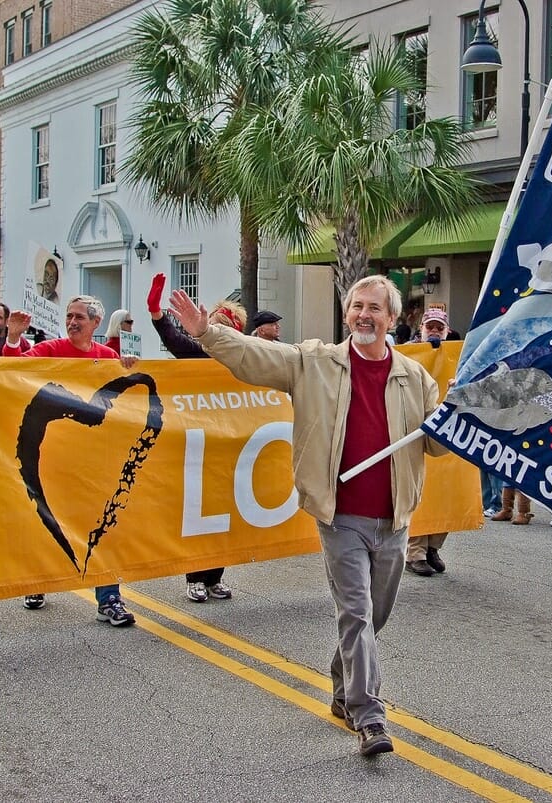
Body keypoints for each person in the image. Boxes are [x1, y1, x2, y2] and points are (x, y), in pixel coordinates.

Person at [169, 274, 447, 757]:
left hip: (395, 519)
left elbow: (437, 447)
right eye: (357, 306)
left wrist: (457, 417)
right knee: (357, 613)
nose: (364, 315)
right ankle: (369, 715)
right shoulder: (314, 362)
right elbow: (255, 356)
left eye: (374, 308)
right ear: (347, 313)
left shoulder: (415, 377)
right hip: (340, 516)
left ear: (392, 318)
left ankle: (344, 688)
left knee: (372, 617)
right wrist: (207, 333)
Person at [1, 295, 139, 627]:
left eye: (79, 317)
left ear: (95, 323)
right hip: (52, 456)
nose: (72, 322)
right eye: (69, 316)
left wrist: (129, 367)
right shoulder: (50, 350)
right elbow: (13, 368)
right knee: (46, 520)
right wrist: (13, 338)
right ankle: (38, 580)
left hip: (92, 460)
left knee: (103, 529)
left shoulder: (107, 357)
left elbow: (119, 396)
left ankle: (109, 599)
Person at [147, 273, 240, 603]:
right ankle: (195, 577)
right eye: (215, 327)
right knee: (198, 515)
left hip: (230, 446)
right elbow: (173, 338)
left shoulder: (244, 360)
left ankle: (216, 577)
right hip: (199, 447)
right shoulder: (198, 354)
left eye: (225, 328)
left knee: (223, 516)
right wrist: (156, 313)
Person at [405, 308, 452, 577]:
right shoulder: (407, 354)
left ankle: (434, 546)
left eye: (439, 328)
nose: (434, 331)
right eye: (430, 327)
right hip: (417, 428)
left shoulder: (456, 355)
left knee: (447, 493)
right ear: (421, 328)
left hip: (446, 431)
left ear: (447, 331)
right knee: (420, 494)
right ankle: (416, 552)